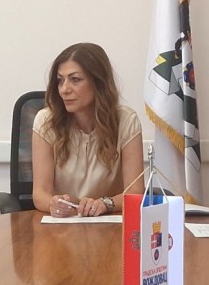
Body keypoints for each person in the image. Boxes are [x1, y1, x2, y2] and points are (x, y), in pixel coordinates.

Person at [32, 43, 144, 217]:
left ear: (98, 83)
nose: (64, 89)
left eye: (75, 80)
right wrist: (53, 204)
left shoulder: (126, 121)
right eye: (60, 80)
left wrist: (105, 204)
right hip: (63, 224)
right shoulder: (45, 121)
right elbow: (40, 193)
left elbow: (135, 192)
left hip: (109, 221)